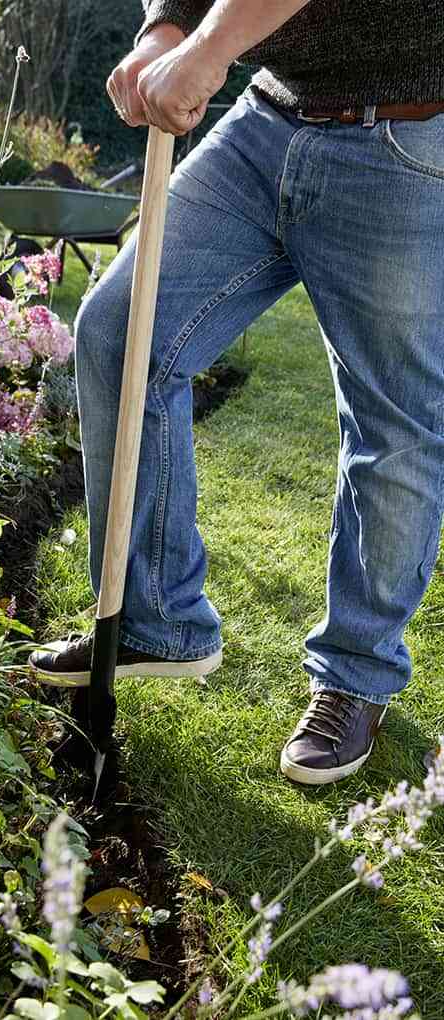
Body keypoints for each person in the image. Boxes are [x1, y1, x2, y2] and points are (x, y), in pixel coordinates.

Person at [29, 0, 444, 785]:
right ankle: (156, 621)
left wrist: (215, 43)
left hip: (406, 129)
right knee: (122, 334)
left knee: (393, 427)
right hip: (266, 119)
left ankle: (355, 676)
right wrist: (166, 29)